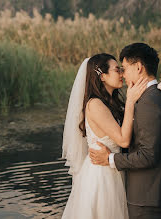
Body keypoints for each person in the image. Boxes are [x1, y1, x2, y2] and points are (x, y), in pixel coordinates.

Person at [89, 43, 161, 219]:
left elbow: (147, 155)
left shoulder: (148, 102)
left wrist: (110, 158)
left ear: (138, 67)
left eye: (125, 68)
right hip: (152, 192)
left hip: (146, 195)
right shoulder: (158, 95)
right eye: (119, 70)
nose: (123, 73)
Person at [61, 53, 148, 218]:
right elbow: (123, 140)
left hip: (112, 168)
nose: (122, 74)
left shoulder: (110, 102)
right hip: (100, 176)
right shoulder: (95, 104)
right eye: (117, 70)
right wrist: (130, 101)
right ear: (102, 76)